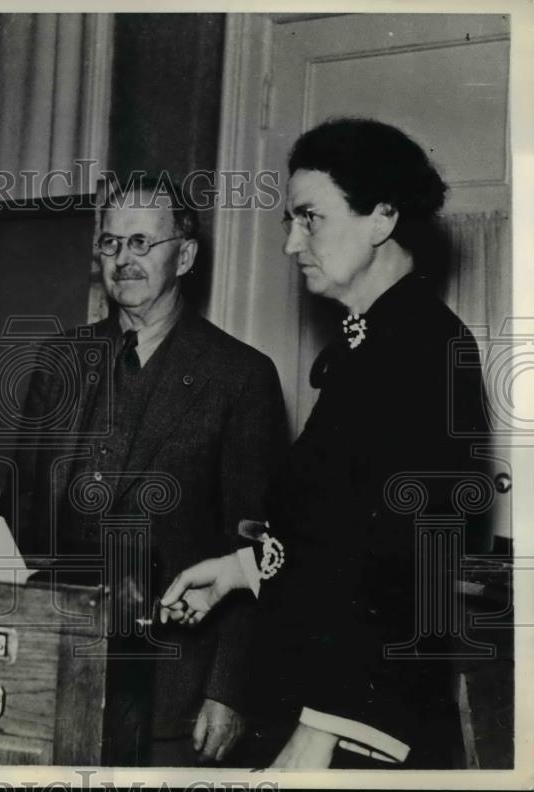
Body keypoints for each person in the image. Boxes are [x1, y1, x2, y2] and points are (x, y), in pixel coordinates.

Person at [160, 118, 491, 769]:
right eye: (290, 220)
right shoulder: (369, 347)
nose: (290, 243)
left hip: (361, 723)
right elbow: (343, 531)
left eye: (310, 218)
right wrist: (239, 570)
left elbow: (412, 561)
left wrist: (322, 732)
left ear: (382, 217)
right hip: (322, 704)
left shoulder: (424, 349)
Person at [12, 177, 289, 766]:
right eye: (111, 244)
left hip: (175, 687)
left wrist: (228, 690)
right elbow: (21, 513)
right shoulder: (58, 362)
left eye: (142, 242)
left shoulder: (240, 377)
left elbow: (255, 545)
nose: (123, 260)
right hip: (56, 663)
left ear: (184, 255)